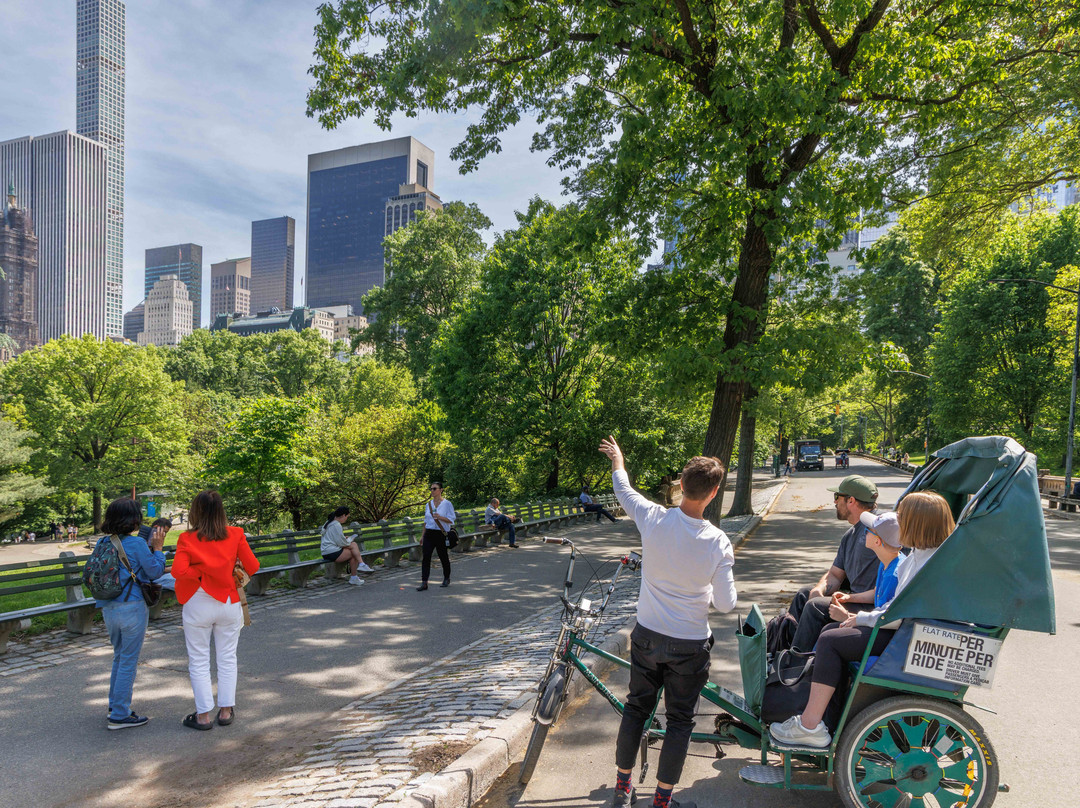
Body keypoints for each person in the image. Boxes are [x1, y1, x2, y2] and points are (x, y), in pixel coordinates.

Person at [599, 436, 737, 808]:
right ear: (713, 493)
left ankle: (622, 789)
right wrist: (703, 591)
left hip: (646, 637)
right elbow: (726, 605)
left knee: (636, 709)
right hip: (689, 646)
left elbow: (623, 488)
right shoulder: (717, 542)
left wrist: (619, 458)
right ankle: (661, 800)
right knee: (679, 722)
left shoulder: (653, 518)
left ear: (680, 484)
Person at [770, 492, 954, 748]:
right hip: (906, 631)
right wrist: (860, 617)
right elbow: (895, 607)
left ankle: (810, 724)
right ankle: (822, 715)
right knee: (835, 630)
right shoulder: (922, 557)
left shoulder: (924, 564)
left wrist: (860, 619)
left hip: (908, 639)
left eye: (903, 517)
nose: (899, 520)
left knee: (831, 639)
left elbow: (898, 613)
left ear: (917, 522)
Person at [172, 490, 260, 730]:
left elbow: (178, 572)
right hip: (228, 601)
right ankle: (225, 710)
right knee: (227, 657)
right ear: (221, 511)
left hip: (198, 602)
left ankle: (202, 716)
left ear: (195, 511)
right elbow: (253, 566)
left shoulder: (187, 538)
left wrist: (200, 573)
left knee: (198, 659)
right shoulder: (236, 534)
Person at [786, 475, 880, 652]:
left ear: (850, 500)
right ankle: (782, 652)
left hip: (871, 605)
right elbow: (836, 574)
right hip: (854, 598)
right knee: (804, 594)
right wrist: (819, 589)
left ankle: (795, 666)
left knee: (816, 607)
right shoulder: (850, 534)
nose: (835, 502)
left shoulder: (880, 528)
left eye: (837, 497)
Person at [95, 497, 166, 730]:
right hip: (132, 607)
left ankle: (115, 705)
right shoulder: (136, 544)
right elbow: (154, 571)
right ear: (134, 520)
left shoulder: (103, 542)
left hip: (108, 607)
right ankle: (120, 715)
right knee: (128, 661)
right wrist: (158, 549)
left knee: (119, 656)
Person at [320, 506, 373, 585]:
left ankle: (357, 572)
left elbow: (333, 538)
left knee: (354, 551)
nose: (346, 519)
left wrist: (345, 539)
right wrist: (350, 540)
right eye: (347, 517)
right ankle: (360, 567)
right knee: (354, 549)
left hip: (327, 552)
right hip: (332, 552)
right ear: (343, 515)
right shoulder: (336, 525)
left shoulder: (329, 522)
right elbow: (342, 544)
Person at [417, 482, 455, 591]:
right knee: (426, 557)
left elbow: (452, 520)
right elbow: (426, 521)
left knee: (443, 556)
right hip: (429, 533)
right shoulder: (428, 504)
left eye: (434, 489)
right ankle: (424, 582)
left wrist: (440, 517)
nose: (432, 491)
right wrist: (422, 536)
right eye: (431, 489)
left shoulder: (447, 504)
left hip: (441, 533)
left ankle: (446, 578)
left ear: (441, 490)